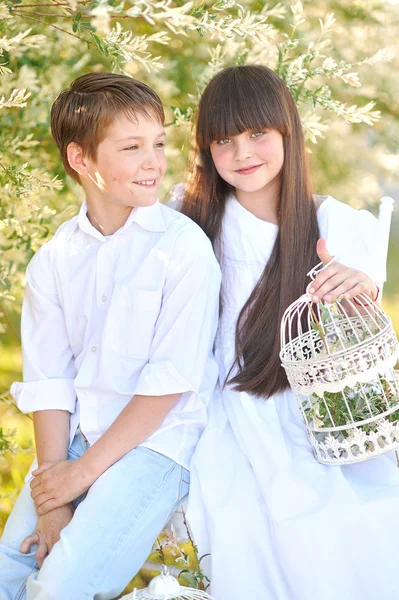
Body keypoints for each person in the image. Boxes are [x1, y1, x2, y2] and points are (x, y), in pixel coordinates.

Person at [172, 65, 399, 600]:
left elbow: (363, 322)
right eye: (224, 139)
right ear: (206, 148)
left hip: (310, 409)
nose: (242, 152)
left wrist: (358, 283)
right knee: (243, 519)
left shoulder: (333, 223)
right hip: (223, 406)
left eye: (258, 134)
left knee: (354, 523)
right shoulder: (189, 220)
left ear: (287, 135)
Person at [0, 72, 221, 600]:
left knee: (58, 586)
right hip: (74, 439)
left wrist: (80, 479)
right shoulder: (55, 259)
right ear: (82, 160)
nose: (154, 162)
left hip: (155, 445)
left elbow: (169, 384)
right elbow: (51, 381)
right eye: (131, 147)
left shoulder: (182, 249)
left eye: (159, 144)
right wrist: (55, 492)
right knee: (10, 569)